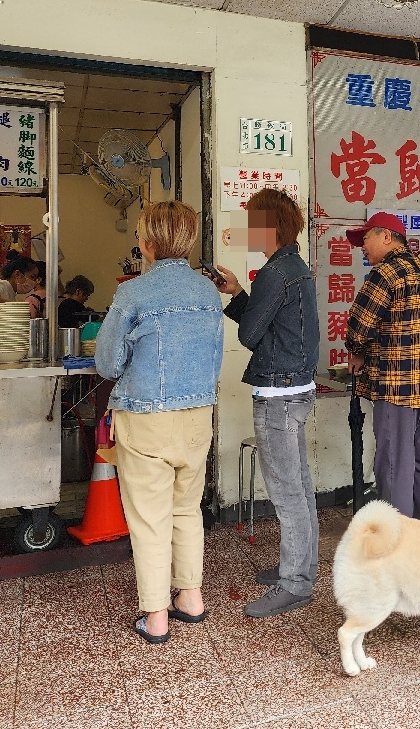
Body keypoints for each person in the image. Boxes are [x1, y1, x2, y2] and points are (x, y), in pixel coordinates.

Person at [95, 201, 224, 644]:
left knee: (151, 518)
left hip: (146, 417)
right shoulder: (208, 292)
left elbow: (108, 363)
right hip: (198, 416)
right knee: (187, 508)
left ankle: (155, 617)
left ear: (148, 243)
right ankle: (191, 598)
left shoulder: (133, 293)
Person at [212, 189, 320, 618]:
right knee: (300, 487)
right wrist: (239, 292)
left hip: (277, 395)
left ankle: (295, 583)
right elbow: (270, 325)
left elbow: (249, 334)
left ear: (269, 226)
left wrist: (246, 297)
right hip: (297, 388)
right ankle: (301, 567)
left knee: (286, 492)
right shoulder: (294, 267)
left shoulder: (275, 273)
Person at [344, 212, 420, 521]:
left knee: (393, 464)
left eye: (365, 238)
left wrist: (357, 351)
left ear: (386, 236)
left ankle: (396, 538)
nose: (362, 246)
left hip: (396, 386)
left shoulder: (385, 273)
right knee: (418, 458)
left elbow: (358, 329)